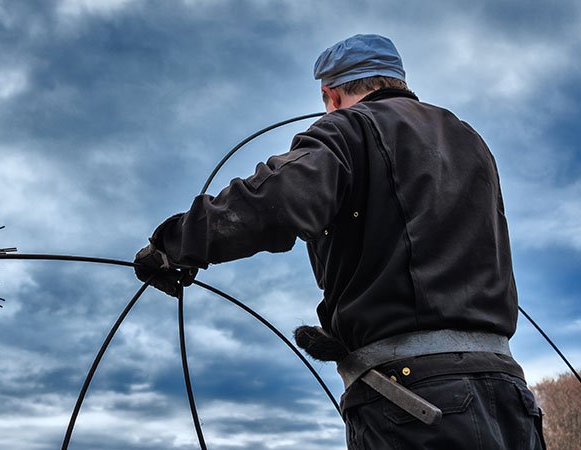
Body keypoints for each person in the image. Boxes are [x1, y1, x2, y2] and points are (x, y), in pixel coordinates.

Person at [134, 34, 546, 449]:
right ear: (397, 80)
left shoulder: (348, 128)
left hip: (417, 403)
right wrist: (345, 337)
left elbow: (275, 201)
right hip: (511, 399)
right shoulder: (470, 140)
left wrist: (172, 245)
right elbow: (420, 259)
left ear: (330, 94)